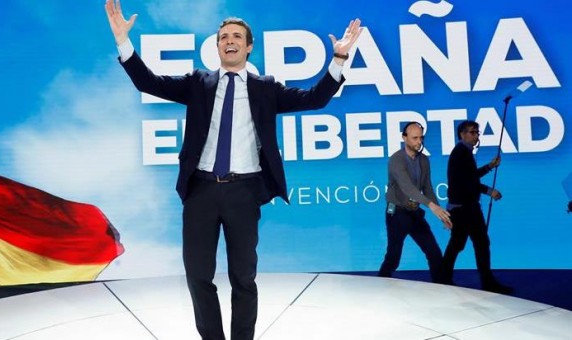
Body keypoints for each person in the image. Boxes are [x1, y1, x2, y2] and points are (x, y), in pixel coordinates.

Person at [104, 1, 363, 339]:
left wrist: (339, 58)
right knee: (198, 275)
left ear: (248, 45)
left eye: (237, 36)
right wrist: (124, 41)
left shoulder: (266, 87)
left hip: (244, 192)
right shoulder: (199, 82)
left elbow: (315, 98)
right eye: (223, 36)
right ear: (217, 45)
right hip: (201, 191)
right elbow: (149, 83)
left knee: (243, 278)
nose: (230, 40)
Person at [439, 120, 513, 294]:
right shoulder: (461, 153)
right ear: (462, 134)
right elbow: (468, 182)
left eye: (477, 132)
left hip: (464, 208)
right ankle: (486, 283)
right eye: (472, 132)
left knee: (459, 244)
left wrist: (489, 167)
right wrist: (489, 191)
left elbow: (470, 176)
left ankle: (442, 278)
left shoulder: (464, 152)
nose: (476, 136)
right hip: (465, 209)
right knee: (478, 243)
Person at [378, 122, 452, 282]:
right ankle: (380, 284)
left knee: (434, 252)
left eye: (421, 138)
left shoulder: (424, 160)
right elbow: (407, 187)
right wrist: (431, 206)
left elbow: (427, 187)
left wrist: (441, 214)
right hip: (396, 213)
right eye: (415, 138)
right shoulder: (396, 160)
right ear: (404, 138)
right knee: (393, 257)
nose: (419, 142)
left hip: (414, 213)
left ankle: (444, 288)